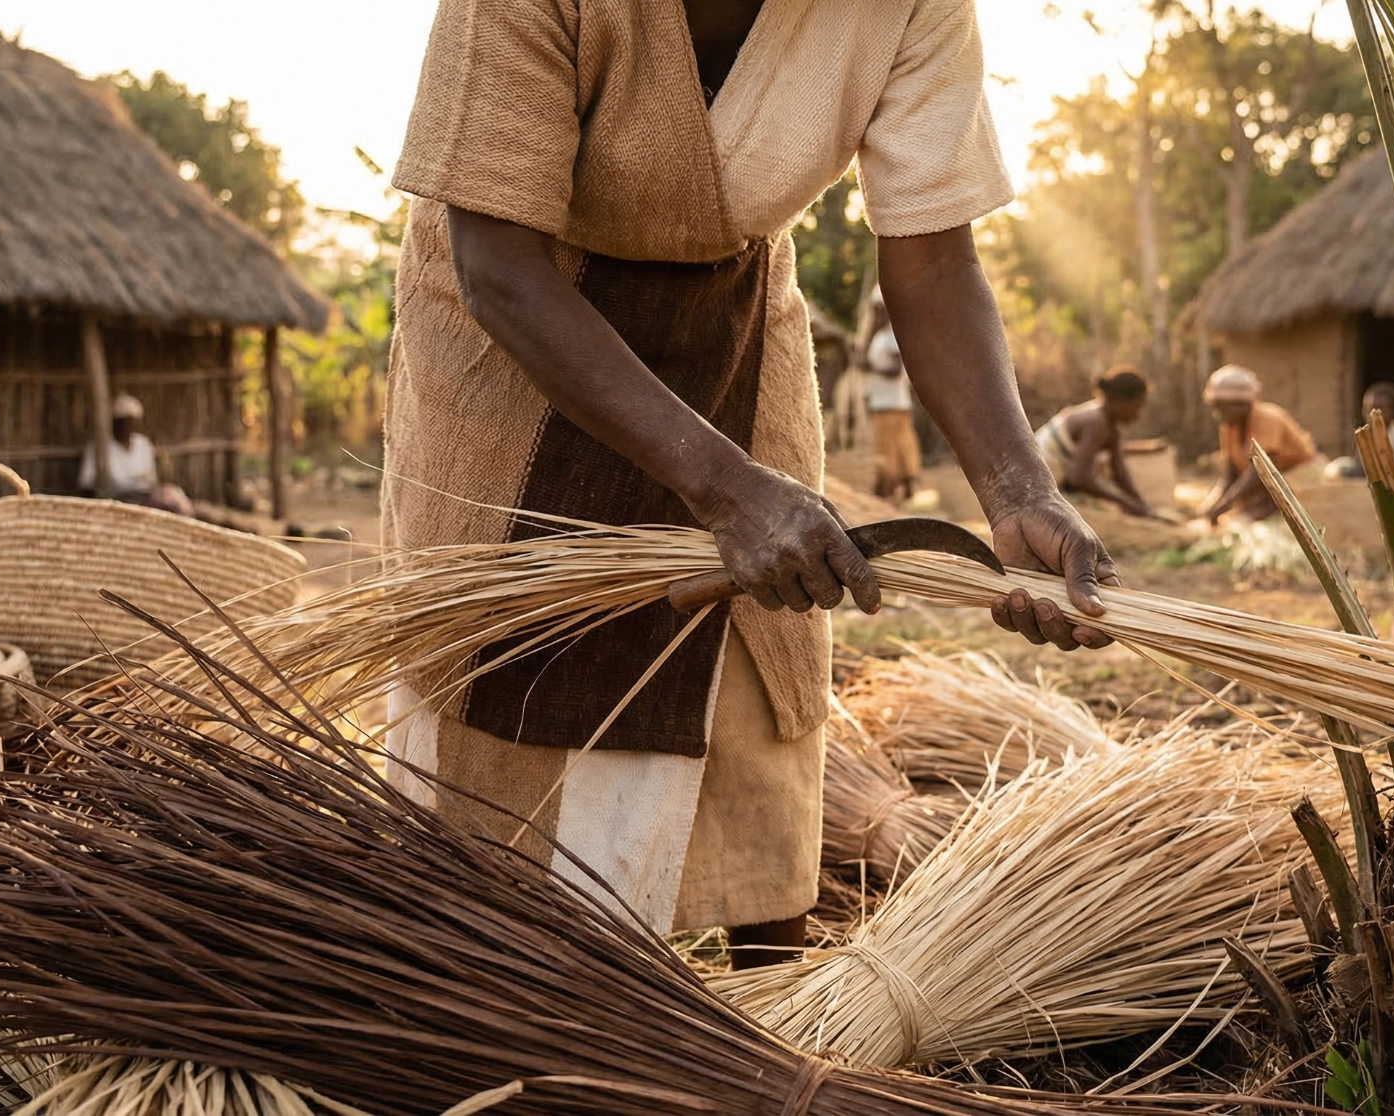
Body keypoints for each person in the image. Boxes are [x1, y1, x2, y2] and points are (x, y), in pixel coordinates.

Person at [381, 0, 1118, 969]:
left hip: (734, 321)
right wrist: (727, 492)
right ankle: (494, 987)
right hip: (515, 332)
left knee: (760, 673)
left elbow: (934, 258)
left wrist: (1019, 490)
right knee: (507, 677)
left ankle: (771, 1023)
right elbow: (497, 263)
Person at [1200, 366, 1317, 524]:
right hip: (1265, 486)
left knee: (1252, 517)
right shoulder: (1229, 427)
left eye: (1222, 408)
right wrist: (1210, 505)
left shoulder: (1269, 418)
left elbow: (1260, 472)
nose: (1217, 414)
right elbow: (1229, 475)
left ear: (1241, 405)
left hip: (1296, 480)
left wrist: (1224, 505)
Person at [1035, 368, 1158, 517]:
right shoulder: (1096, 423)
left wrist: (1141, 505)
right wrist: (1124, 502)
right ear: (1121, 401)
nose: (1138, 414)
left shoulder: (1110, 427)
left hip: (1052, 482)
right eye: (1137, 406)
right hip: (1034, 485)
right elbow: (1079, 477)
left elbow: (1120, 473)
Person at [78, 394, 193, 517]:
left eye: (133, 421)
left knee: (176, 499)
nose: (128, 426)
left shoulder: (143, 444)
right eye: (124, 421)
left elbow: (151, 481)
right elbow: (86, 484)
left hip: (145, 495)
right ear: (114, 423)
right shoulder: (99, 448)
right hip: (117, 498)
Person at [864, 295, 922, 501]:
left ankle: (889, 487)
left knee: (891, 446)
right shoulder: (881, 337)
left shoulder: (891, 336)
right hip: (885, 401)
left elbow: (896, 369)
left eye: (879, 311)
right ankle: (893, 486)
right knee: (894, 445)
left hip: (892, 402)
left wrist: (872, 368)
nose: (876, 316)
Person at [1323, 382, 1394, 481]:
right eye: (1367, 409)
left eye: (1378, 408)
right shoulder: (1369, 434)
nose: (1370, 414)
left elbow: (1383, 466)